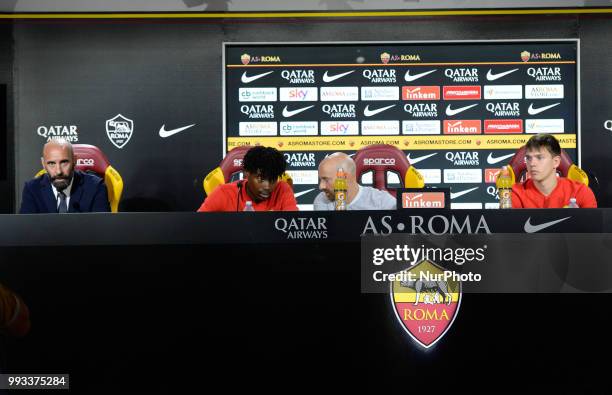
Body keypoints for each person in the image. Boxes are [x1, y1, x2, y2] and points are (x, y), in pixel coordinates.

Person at [19, 139, 111, 213]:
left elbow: (101, 231)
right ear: (43, 164)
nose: (58, 171)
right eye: (51, 163)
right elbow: (27, 231)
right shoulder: (32, 189)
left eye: (64, 162)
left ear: (74, 160)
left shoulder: (96, 187)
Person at [197, 146, 298, 212]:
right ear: (246, 173)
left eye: (272, 180)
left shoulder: (282, 189)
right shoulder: (223, 193)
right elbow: (197, 227)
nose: (267, 186)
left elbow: (293, 228)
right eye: (260, 179)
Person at [511, 134, 597, 208]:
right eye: (528, 158)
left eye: (539, 157)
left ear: (556, 162)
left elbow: (591, 226)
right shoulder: (516, 193)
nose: (532, 163)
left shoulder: (581, 192)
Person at [314, 152, 396, 210]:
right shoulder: (322, 200)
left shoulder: (382, 202)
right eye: (320, 179)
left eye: (326, 179)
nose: (321, 186)